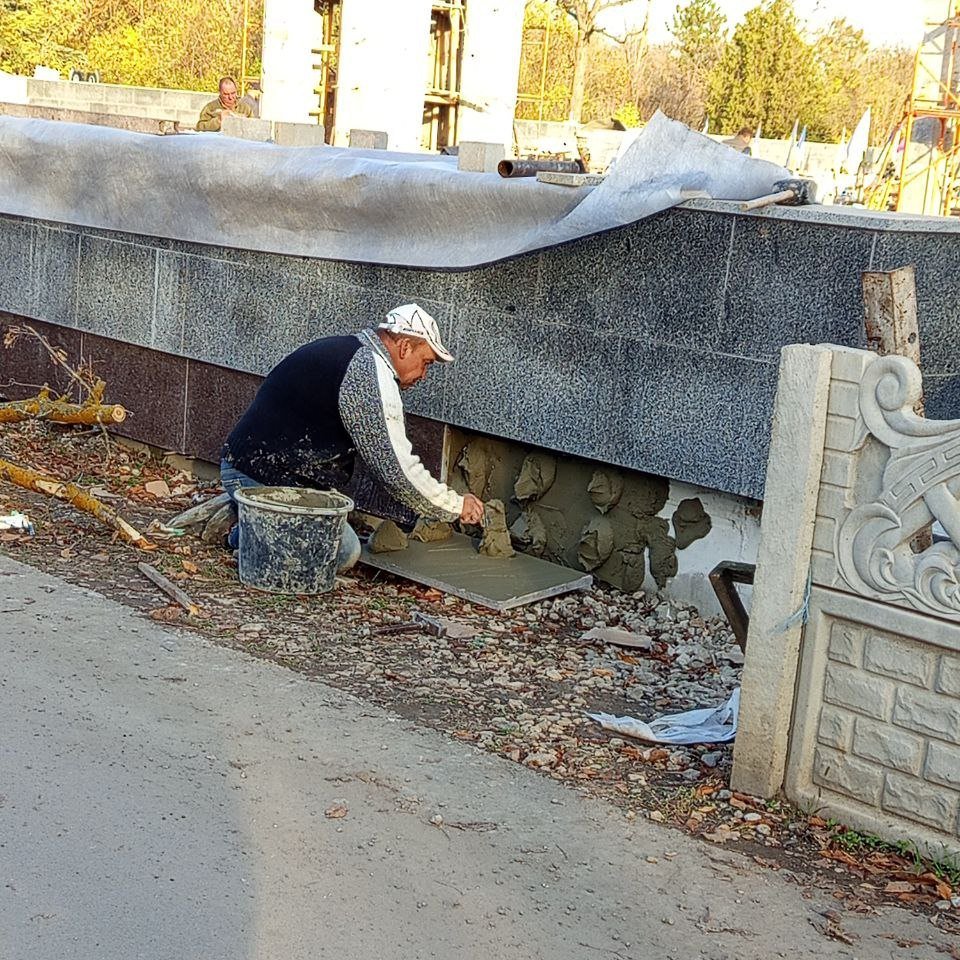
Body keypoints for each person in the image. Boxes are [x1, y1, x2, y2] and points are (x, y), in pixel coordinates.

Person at [220, 304, 486, 572]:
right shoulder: (368, 373)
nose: (424, 375)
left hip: (262, 468)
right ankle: (249, 528)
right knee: (342, 552)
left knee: (328, 534)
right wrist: (454, 505)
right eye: (425, 362)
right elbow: (396, 470)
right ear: (405, 347)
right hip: (257, 475)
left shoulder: (350, 352)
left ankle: (252, 522)